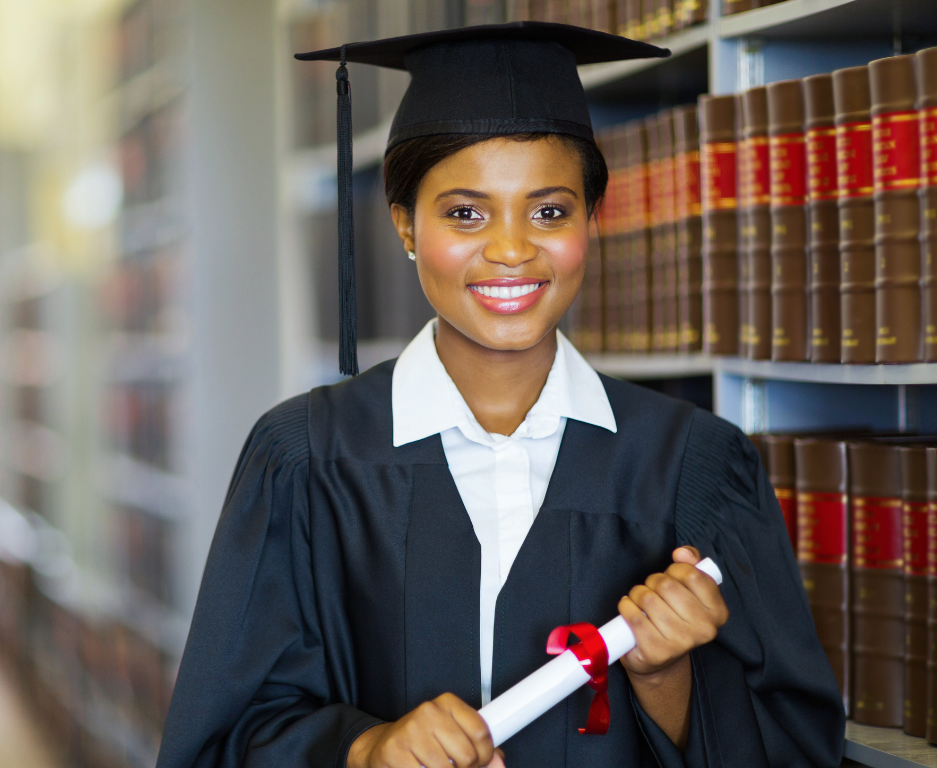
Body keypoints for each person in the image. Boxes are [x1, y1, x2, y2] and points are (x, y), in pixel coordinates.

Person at [155, 22, 845, 768]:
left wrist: (664, 677)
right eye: (465, 212)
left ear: (591, 221)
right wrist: (367, 750)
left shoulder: (694, 466)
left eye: (550, 211)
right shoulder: (306, 458)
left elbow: (796, 751)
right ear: (404, 226)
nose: (512, 249)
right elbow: (220, 740)